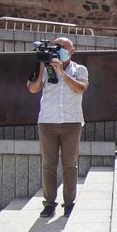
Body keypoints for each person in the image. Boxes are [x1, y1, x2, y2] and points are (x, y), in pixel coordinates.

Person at [26, 36, 88, 218]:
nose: (58, 50)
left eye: (62, 47)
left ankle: (69, 204)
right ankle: (49, 204)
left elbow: (80, 88)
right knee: (48, 165)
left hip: (72, 123)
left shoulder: (80, 69)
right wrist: (41, 65)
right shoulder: (45, 68)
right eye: (56, 47)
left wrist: (62, 73)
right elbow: (33, 88)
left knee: (70, 165)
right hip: (48, 122)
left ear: (72, 51)